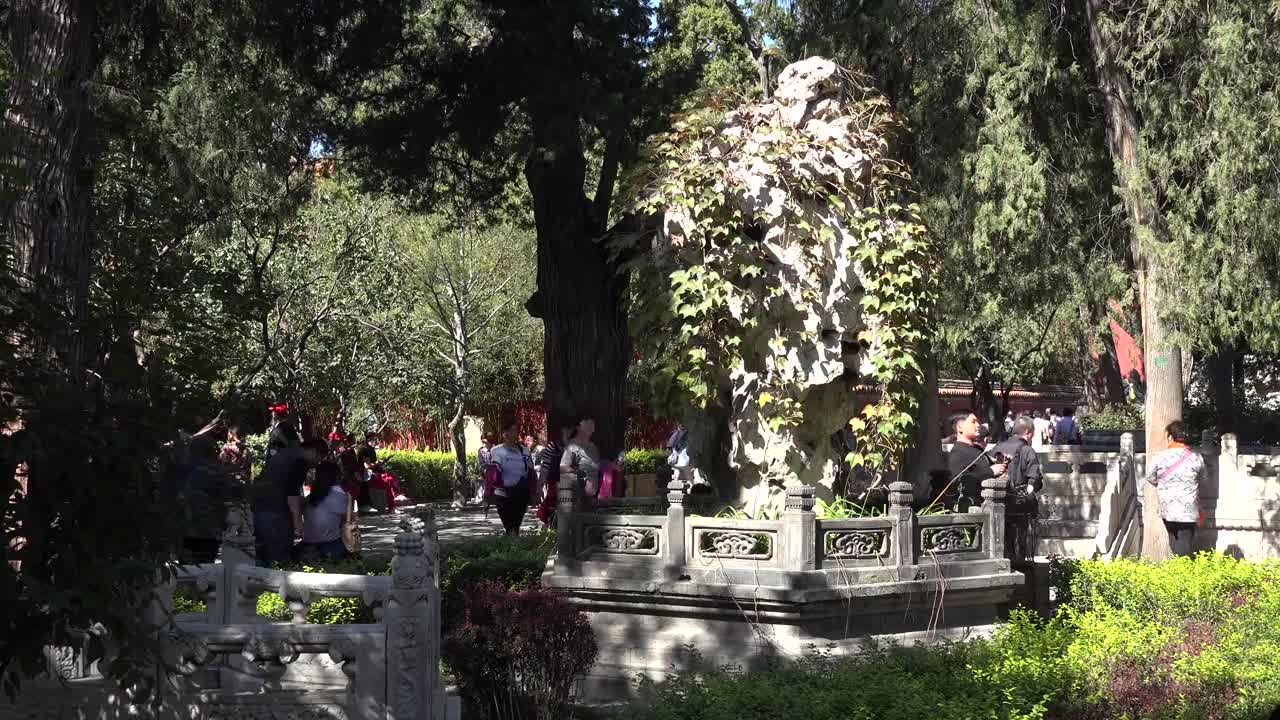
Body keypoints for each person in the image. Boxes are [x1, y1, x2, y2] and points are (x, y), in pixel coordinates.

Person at [253, 437, 326, 566]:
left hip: (259, 508)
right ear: (314, 452)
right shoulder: (300, 461)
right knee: (279, 557)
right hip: (275, 513)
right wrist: (298, 524)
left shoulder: (287, 453)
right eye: (319, 460)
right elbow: (292, 494)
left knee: (262, 555)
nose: (316, 464)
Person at [1145, 420, 1203, 557]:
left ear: (1170, 437)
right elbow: (1203, 478)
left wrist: (1164, 485)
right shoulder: (1196, 457)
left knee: (1174, 539)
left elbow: (1149, 476)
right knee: (1185, 540)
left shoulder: (1159, 457)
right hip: (1188, 507)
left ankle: (1177, 569)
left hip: (1167, 506)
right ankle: (1181, 571)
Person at [171, 435, 229, 564]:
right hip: (209, 532)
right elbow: (225, 500)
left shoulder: (181, 470)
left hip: (187, 530)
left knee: (186, 573)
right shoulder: (217, 472)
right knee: (206, 571)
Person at [994, 416, 1043, 561]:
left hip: (997, 503)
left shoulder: (997, 447)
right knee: (1022, 543)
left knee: (1001, 540)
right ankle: (1022, 566)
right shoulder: (1028, 450)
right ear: (1028, 432)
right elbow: (1034, 480)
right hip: (1020, 506)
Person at [946, 411, 1008, 509]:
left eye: (978, 422)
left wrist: (1001, 465)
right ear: (960, 427)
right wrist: (990, 471)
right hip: (974, 507)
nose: (978, 425)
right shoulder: (957, 453)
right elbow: (960, 479)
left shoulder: (977, 449)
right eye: (973, 422)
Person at [299, 462, 352, 560]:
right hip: (330, 545)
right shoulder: (339, 496)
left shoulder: (310, 497)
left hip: (307, 544)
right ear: (337, 477)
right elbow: (347, 522)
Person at [491, 420, 533, 535]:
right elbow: (495, 471)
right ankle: (510, 547)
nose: (515, 434)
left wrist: (535, 489)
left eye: (516, 431)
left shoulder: (524, 450)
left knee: (516, 524)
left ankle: (515, 547)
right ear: (505, 434)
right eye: (512, 431)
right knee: (509, 525)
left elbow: (530, 470)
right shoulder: (496, 451)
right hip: (503, 494)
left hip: (521, 492)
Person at [535, 423, 574, 526]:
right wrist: (540, 487)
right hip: (555, 487)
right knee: (552, 516)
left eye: (570, 428)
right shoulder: (552, 446)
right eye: (566, 428)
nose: (568, 431)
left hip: (573, 487)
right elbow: (545, 468)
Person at [561, 417, 603, 498]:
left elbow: (598, 468)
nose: (590, 426)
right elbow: (562, 467)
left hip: (594, 497)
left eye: (592, 424)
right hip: (577, 497)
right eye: (587, 423)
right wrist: (582, 476)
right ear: (578, 427)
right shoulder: (571, 446)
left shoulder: (593, 447)